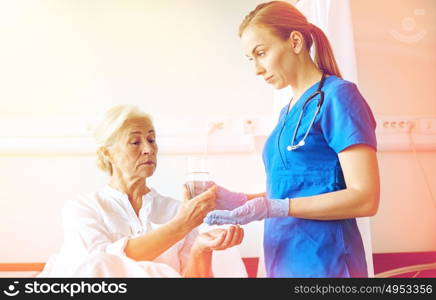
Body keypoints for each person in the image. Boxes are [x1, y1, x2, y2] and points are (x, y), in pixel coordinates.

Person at [205, 1, 380, 278]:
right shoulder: (287, 113)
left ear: (295, 41)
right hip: (284, 263)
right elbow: (300, 191)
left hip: (326, 264)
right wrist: (239, 200)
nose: (257, 70)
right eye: (251, 59)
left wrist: (273, 207)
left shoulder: (339, 97)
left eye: (261, 53)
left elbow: (365, 198)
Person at [39, 104, 243, 278]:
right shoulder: (83, 208)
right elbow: (98, 269)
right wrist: (182, 224)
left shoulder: (175, 210)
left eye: (152, 140)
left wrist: (201, 249)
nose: (149, 149)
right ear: (107, 153)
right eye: (135, 142)